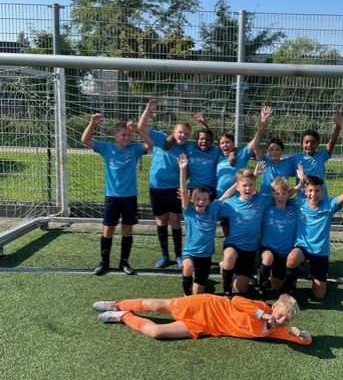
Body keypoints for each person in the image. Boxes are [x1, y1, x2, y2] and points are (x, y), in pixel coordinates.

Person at [80, 113, 153, 276]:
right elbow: (85, 140)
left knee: (127, 230)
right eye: (123, 135)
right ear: (115, 135)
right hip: (112, 196)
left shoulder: (134, 149)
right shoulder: (107, 148)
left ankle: (124, 262)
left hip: (129, 197)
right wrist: (92, 124)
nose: (126, 138)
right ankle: (104, 262)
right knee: (108, 229)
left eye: (129, 135)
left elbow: (150, 144)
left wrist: (138, 130)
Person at [92, 293, 312, 345]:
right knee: (159, 306)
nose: (281, 321)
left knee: (157, 332)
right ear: (274, 307)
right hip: (205, 305)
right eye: (280, 315)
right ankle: (118, 304)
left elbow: (306, 340)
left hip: (206, 326)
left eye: (286, 320)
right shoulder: (260, 307)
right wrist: (263, 315)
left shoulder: (276, 330)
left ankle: (123, 316)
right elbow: (236, 300)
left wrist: (301, 334)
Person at [284, 164, 343, 301]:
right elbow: (284, 197)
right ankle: (290, 292)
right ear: (306, 192)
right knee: (292, 259)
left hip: (320, 252)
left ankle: (315, 275)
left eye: (317, 191)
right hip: (302, 247)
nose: (313, 194)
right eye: (310, 190)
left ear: (322, 192)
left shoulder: (329, 205)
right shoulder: (299, 203)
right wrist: (299, 186)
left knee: (319, 296)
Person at [138, 98, 195, 269]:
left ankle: (178, 255)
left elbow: (191, 169)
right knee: (161, 221)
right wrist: (149, 108)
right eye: (180, 132)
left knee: (175, 221)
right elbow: (141, 127)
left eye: (186, 134)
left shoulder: (188, 148)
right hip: (156, 188)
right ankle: (165, 255)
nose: (183, 136)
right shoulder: (162, 139)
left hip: (175, 189)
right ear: (174, 132)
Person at [178, 153, 236, 295]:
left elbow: (226, 195)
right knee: (187, 267)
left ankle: (203, 283)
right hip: (190, 252)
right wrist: (183, 169)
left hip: (205, 256)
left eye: (204, 199)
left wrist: (238, 183)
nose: (201, 201)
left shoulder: (213, 209)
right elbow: (184, 192)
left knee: (199, 292)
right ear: (192, 200)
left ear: (209, 201)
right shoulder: (189, 212)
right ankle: (186, 295)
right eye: (198, 199)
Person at [219, 167, 273, 298]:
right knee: (229, 256)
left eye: (251, 185)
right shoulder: (229, 204)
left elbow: (281, 196)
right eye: (244, 185)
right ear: (237, 187)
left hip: (250, 249)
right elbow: (218, 203)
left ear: (255, 186)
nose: (248, 188)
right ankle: (227, 293)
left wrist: (299, 186)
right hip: (233, 244)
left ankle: (226, 269)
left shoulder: (261, 200)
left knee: (243, 289)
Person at [216, 106, 272, 198]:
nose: (225, 145)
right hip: (220, 198)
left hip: (238, 198)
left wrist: (263, 121)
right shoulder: (217, 156)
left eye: (227, 142)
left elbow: (256, 141)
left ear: (233, 144)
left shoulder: (241, 155)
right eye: (222, 143)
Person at [258, 177, 299, 301]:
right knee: (268, 257)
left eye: (284, 193)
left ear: (288, 194)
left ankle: (285, 275)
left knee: (276, 286)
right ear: (272, 194)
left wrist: (300, 186)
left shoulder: (294, 210)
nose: (280, 196)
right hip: (268, 248)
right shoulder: (267, 209)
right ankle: (261, 292)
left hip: (284, 253)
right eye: (277, 193)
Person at [289, 111, 343, 195]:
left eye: (313, 142)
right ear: (301, 143)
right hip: (303, 198)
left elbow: (331, 143)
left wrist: (338, 127)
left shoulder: (321, 156)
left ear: (317, 144)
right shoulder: (295, 158)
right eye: (306, 142)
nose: (309, 145)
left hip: (320, 198)